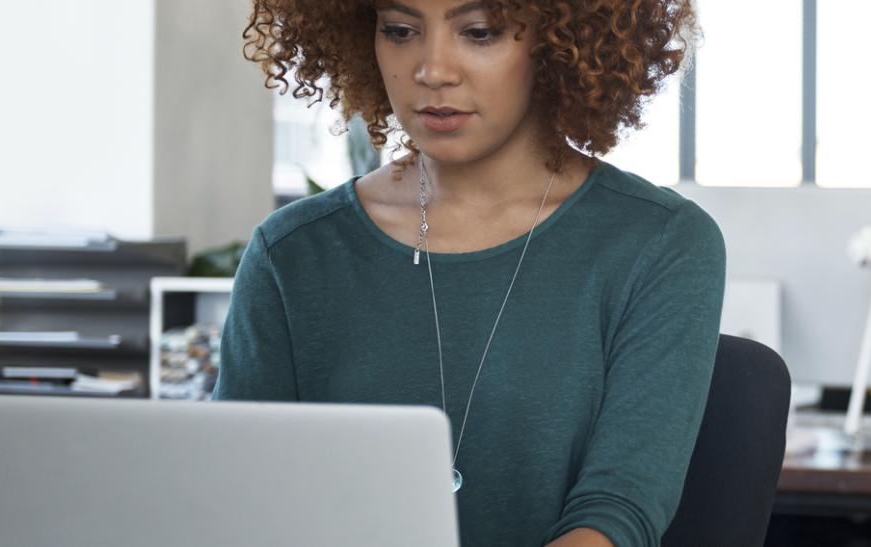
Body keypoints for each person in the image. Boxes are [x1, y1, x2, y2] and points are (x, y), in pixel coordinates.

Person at [213, 1, 722, 546]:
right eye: (400, 31)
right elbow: (234, 499)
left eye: (479, 32)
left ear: (559, 43)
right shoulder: (292, 253)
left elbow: (619, 509)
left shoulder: (659, 242)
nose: (432, 70)